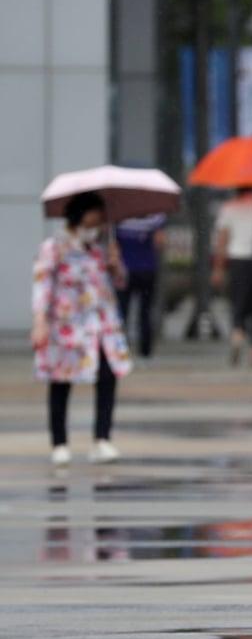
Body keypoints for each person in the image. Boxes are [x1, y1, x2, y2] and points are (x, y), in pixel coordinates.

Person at [31, 192, 133, 466]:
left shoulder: (100, 249)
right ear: (79, 216)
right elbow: (42, 283)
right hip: (67, 326)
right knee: (61, 381)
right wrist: (39, 321)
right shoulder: (55, 247)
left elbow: (119, 284)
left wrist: (116, 265)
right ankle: (60, 443)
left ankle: (102, 439)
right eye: (93, 218)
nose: (97, 225)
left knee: (108, 377)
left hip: (100, 325)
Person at [212, 186, 252, 367]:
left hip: (237, 261)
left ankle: (237, 336)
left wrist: (218, 268)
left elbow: (222, 239)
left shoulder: (229, 207)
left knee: (238, 303)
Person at [114, 213, 167, 359]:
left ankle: (119, 347)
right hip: (147, 270)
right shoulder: (155, 218)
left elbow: (113, 245)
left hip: (124, 271)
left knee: (122, 310)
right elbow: (160, 242)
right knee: (146, 311)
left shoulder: (118, 219)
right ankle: (145, 349)